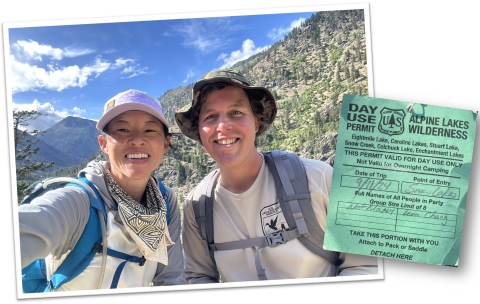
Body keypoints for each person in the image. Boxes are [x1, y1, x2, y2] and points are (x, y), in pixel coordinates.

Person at [175, 69, 378, 283]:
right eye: (210, 116)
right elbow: (199, 277)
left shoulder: (317, 178)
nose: (223, 126)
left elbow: (366, 264)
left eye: (236, 112)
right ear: (199, 130)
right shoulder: (197, 206)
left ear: (256, 121)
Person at [18, 89, 186, 290]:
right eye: (122, 130)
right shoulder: (78, 202)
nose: (137, 140)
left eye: (150, 130)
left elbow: (171, 280)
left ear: (166, 143)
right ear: (103, 144)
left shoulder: (166, 201)